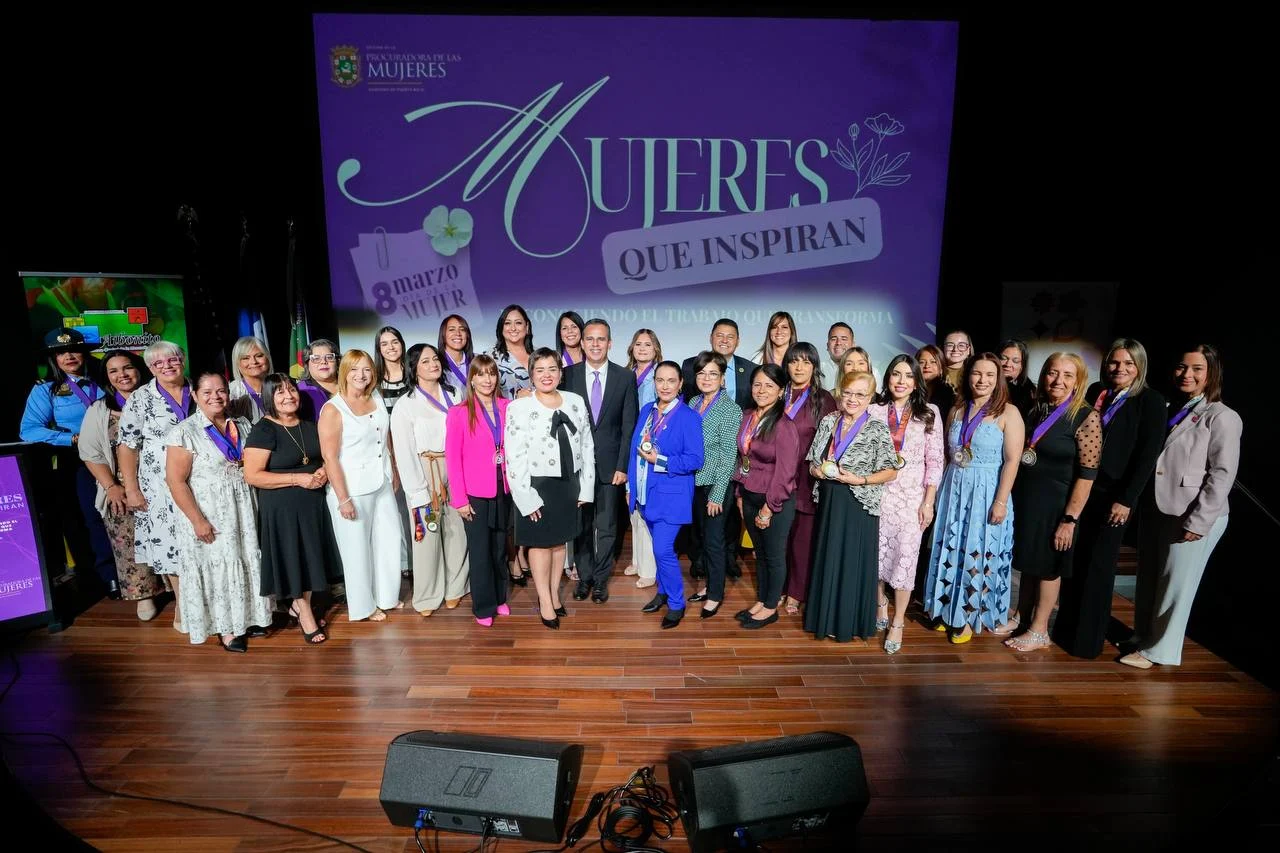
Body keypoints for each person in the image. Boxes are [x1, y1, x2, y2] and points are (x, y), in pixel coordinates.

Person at [1120, 345, 1242, 670]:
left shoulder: (1222, 417)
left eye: (1197, 369)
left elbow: (1222, 474)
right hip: (1158, 508)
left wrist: (1199, 521)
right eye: (1182, 367)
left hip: (1192, 513)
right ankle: (1142, 636)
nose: (1187, 374)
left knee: (1176, 585)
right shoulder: (1172, 407)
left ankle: (1159, 651)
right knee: (1149, 578)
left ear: (1211, 373)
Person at [1053, 339, 1166, 659]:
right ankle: (1064, 631)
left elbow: (1147, 456)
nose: (1120, 369)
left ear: (1140, 367)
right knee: (1076, 562)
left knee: (1099, 569)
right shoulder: (1096, 393)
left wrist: (1127, 499)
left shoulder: (1150, 401)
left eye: (1129, 364)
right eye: (1115, 362)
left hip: (1115, 497)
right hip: (1086, 489)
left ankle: (1085, 643)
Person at [164, 372, 272, 651]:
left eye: (221, 391)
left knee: (245, 559)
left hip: (243, 509)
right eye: (208, 392)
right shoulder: (184, 433)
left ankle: (250, 619)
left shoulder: (243, 424)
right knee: (219, 566)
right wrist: (197, 520)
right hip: (209, 512)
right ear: (195, 395)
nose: (216, 397)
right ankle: (226, 629)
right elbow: (175, 481)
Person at [1001, 353, 1101, 652]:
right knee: (1030, 562)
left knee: (1048, 567)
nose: (1058, 380)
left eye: (1068, 375)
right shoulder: (1037, 410)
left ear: (1078, 381)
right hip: (1030, 500)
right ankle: (1021, 617)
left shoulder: (1086, 417)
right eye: (1053, 373)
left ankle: (1039, 630)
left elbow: (1087, 475)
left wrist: (1069, 519)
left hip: (1058, 506)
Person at [924, 352, 1024, 643]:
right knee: (952, 548)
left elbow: (1012, 461)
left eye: (990, 375)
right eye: (977, 373)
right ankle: (947, 609)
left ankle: (968, 616)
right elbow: (947, 454)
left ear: (998, 379)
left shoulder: (1009, 413)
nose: (982, 380)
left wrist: (1000, 501)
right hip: (954, 487)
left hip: (987, 491)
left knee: (977, 554)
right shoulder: (957, 410)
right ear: (968, 376)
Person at [20, 326, 116, 596]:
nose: (69, 356)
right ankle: (105, 575)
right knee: (89, 518)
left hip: (116, 455)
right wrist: (71, 439)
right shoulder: (46, 389)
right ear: (54, 358)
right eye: (61, 352)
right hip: (76, 461)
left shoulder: (105, 379)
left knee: (122, 512)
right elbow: (29, 430)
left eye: (74, 350)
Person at [243, 373, 338, 644]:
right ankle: (304, 612)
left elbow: (325, 457)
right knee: (294, 560)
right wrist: (298, 479)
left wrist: (323, 471)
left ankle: (300, 605)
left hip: (312, 504)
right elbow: (252, 475)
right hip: (282, 508)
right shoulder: (264, 430)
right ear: (269, 398)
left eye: (292, 390)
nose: (289, 396)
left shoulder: (309, 425)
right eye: (280, 392)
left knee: (310, 558)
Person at [806, 371, 898, 642]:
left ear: (870, 398)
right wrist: (816, 471)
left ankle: (848, 622)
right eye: (848, 393)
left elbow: (891, 471)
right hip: (829, 500)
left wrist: (861, 480)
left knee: (851, 562)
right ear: (840, 393)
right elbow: (812, 462)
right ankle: (823, 619)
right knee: (828, 558)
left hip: (859, 503)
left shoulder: (877, 428)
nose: (852, 399)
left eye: (860, 394)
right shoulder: (828, 421)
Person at [505, 349, 595, 629]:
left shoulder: (575, 401)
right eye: (540, 370)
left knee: (560, 543)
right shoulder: (519, 407)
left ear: (560, 372)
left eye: (552, 369)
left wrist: (586, 487)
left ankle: (555, 594)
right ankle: (544, 600)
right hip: (537, 485)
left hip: (569, 482)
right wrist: (525, 497)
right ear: (531, 374)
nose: (547, 375)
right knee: (541, 543)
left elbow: (587, 445)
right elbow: (513, 456)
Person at [77, 349, 166, 619]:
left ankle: (176, 588)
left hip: (162, 483)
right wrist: (111, 487)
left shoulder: (159, 399)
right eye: (113, 371)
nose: (122, 375)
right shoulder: (99, 410)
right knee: (127, 540)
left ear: (139, 369)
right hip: (120, 486)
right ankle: (143, 595)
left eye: (127, 368)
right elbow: (90, 453)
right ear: (106, 377)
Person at [318, 349, 404, 622]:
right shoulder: (333, 409)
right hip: (352, 488)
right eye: (354, 369)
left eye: (366, 369)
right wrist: (343, 499)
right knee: (356, 551)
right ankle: (364, 607)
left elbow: (386, 437)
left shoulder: (375, 396)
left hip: (381, 481)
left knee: (389, 540)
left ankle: (387, 597)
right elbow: (330, 457)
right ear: (344, 372)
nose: (361, 375)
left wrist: (394, 470)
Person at [868, 355, 944, 654]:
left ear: (916, 382)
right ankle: (879, 603)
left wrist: (929, 501)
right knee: (876, 554)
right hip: (878, 493)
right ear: (887, 378)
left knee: (905, 558)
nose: (901, 381)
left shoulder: (929, 413)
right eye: (896, 374)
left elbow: (935, 461)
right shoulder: (874, 409)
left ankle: (898, 620)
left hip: (912, 498)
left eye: (908, 376)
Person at [118, 340, 196, 629]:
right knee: (171, 546)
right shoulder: (140, 398)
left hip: (202, 481)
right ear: (150, 368)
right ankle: (184, 607)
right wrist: (131, 489)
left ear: (182, 360)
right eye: (158, 363)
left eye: (172, 359)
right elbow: (127, 447)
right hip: (159, 487)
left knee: (201, 539)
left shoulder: (200, 389)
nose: (167, 366)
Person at [560, 320, 637, 603]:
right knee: (581, 526)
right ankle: (585, 577)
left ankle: (601, 580)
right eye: (590, 339)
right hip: (577, 467)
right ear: (581, 343)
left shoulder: (624, 377)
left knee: (606, 527)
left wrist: (622, 466)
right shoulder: (567, 375)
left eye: (601, 339)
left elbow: (628, 426)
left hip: (610, 467)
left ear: (610, 343)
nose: (595, 344)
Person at [391, 344, 470, 617]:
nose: (433, 364)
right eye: (425, 361)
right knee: (426, 533)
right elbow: (403, 451)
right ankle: (427, 595)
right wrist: (417, 490)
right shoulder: (405, 404)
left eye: (435, 359)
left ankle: (457, 587)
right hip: (426, 468)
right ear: (413, 368)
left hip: (455, 465)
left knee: (457, 530)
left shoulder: (454, 393)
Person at [627, 361, 705, 628]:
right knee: (660, 549)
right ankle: (663, 591)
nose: (665, 386)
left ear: (681, 383)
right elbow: (634, 450)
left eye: (671, 380)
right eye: (660, 380)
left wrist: (659, 460)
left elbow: (695, 459)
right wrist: (631, 489)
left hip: (671, 497)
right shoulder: (647, 410)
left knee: (662, 550)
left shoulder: (689, 417)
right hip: (645, 494)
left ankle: (676, 603)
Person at [445, 355, 513, 627]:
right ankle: (483, 606)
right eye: (481, 374)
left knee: (500, 548)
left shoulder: (508, 407)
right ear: (471, 379)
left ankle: (499, 597)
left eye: (492, 374)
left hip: (503, 488)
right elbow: (453, 459)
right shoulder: (459, 412)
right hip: (474, 493)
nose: (487, 380)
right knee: (480, 550)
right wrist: (459, 499)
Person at [732, 364, 800, 630]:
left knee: (773, 555)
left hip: (774, 501)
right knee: (759, 554)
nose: (762, 390)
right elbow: (743, 458)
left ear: (781, 391)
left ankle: (771, 607)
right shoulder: (747, 416)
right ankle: (761, 600)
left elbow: (786, 473)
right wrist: (740, 493)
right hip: (749, 494)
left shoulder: (784, 425)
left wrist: (769, 508)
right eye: (757, 384)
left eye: (769, 386)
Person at [780, 343, 837, 616]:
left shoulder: (824, 399)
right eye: (794, 361)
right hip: (777, 478)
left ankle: (796, 591)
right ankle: (779, 585)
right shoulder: (777, 392)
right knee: (780, 538)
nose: (799, 367)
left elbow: (831, 444)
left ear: (814, 367)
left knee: (802, 540)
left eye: (806, 362)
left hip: (806, 479)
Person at [685, 352, 743, 618]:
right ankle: (709, 585)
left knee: (714, 541)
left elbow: (729, 455)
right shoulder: (694, 402)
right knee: (701, 538)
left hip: (716, 485)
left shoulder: (731, 409)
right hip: (695, 481)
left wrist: (718, 494)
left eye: (713, 374)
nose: (706, 378)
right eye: (701, 373)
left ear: (722, 379)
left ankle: (716, 594)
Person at [623, 328, 663, 586]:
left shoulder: (659, 376)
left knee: (647, 507)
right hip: (628, 444)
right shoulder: (626, 374)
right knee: (632, 506)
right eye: (638, 344)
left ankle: (649, 568)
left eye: (648, 344)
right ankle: (637, 559)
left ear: (655, 348)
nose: (642, 348)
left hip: (649, 447)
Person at [681, 318, 754, 410]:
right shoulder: (689, 366)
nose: (724, 340)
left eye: (730, 337)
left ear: (738, 341)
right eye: (720, 336)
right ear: (711, 338)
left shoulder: (751, 369)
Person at [492, 304, 534, 400]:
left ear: (527, 327)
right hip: (507, 409)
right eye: (507, 323)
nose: (513, 328)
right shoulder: (490, 357)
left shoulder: (540, 355)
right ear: (501, 327)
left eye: (518, 323)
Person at [227, 335, 271, 423]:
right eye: (245, 358)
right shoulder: (231, 392)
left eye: (259, 356)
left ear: (267, 358)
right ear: (237, 363)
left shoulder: (281, 385)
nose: (253, 362)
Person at [297, 338, 339, 421]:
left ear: (337, 361)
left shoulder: (350, 384)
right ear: (307, 364)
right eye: (316, 358)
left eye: (329, 357)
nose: (323, 362)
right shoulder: (301, 391)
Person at [373, 326, 411, 413]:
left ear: (402, 344)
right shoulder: (374, 379)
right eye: (384, 344)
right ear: (379, 348)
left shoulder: (414, 373)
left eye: (395, 342)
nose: (391, 347)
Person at [438, 314, 474, 401]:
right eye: (452, 329)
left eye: (462, 329)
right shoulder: (436, 364)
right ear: (443, 334)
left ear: (467, 335)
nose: (458, 333)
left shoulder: (478, 360)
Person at [999, 338, 1036, 418]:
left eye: (1015, 361)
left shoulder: (1030, 393)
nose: (1008, 364)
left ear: (1022, 366)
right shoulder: (985, 384)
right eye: (1003, 358)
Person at [916, 344, 956, 417]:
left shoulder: (948, 394)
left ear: (941, 368)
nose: (927, 366)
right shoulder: (910, 391)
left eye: (933, 362)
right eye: (922, 362)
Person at [825, 322, 855, 388]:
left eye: (844, 339)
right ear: (827, 345)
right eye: (833, 339)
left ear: (853, 345)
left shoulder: (871, 372)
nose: (838, 343)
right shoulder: (817, 371)